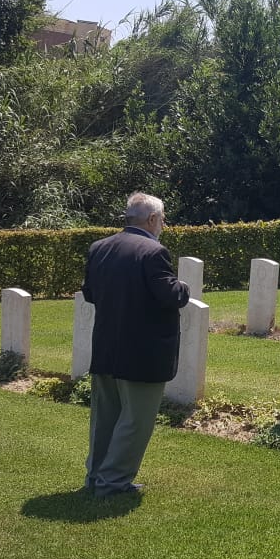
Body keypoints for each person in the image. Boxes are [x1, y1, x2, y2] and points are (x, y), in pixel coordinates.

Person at [80, 192, 189, 497]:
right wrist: (184, 287)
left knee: (105, 417)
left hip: (106, 346)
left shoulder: (99, 248)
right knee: (135, 421)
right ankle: (113, 482)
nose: (164, 225)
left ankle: (96, 476)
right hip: (143, 351)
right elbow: (171, 295)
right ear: (153, 220)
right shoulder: (153, 252)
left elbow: (89, 293)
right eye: (163, 219)